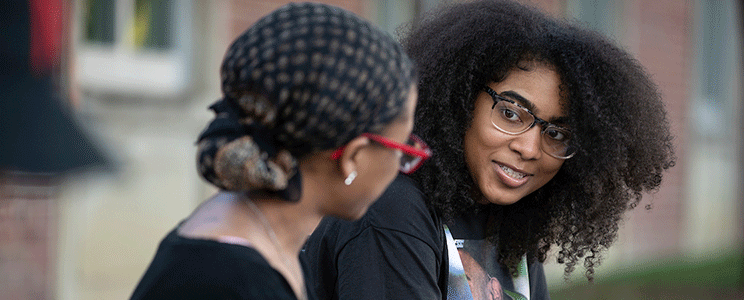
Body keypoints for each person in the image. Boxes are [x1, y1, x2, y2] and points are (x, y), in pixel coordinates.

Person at [302, 0, 676, 299]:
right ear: (461, 100)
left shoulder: (510, 221)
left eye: (558, 134)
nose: (530, 149)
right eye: (511, 113)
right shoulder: (390, 207)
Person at [130, 3, 427, 300]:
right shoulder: (225, 279)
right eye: (403, 149)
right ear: (353, 156)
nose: (400, 164)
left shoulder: (266, 248)